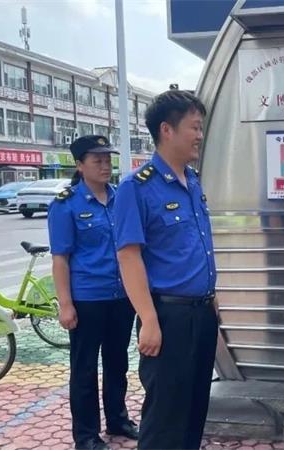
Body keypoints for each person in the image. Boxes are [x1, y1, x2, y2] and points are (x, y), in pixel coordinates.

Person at [113, 90, 216, 450]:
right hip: (167, 317)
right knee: (165, 417)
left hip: (202, 314)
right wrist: (149, 319)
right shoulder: (136, 187)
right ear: (166, 130)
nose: (200, 135)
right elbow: (129, 257)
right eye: (194, 127)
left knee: (194, 409)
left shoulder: (193, 181)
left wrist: (212, 301)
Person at [48, 135, 138, 450]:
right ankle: (86, 435)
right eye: (97, 160)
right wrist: (65, 304)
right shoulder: (66, 204)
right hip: (87, 298)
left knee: (117, 363)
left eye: (107, 160)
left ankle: (118, 419)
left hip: (121, 296)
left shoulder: (120, 198)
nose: (105, 165)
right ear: (79, 165)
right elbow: (60, 259)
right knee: (85, 369)